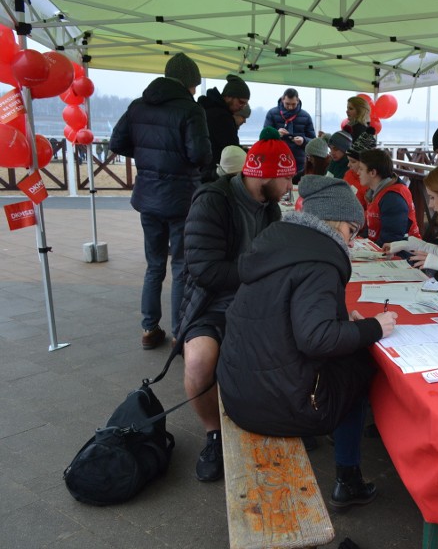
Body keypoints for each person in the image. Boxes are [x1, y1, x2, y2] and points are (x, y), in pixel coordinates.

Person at [217, 174, 397, 508]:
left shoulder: (282, 244)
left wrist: (345, 324)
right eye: (351, 231)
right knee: (358, 366)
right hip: (272, 404)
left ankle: (339, 453)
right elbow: (316, 339)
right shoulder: (320, 263)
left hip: (237, 388)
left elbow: (291, 319)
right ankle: (349, 479)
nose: (352, 242)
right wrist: (373, 327)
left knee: (346, 352)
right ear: (335, 224)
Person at [179, 126, 296, 482]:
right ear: (268, 177)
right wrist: (260, 269)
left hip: (255, 303)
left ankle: (277, 418)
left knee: (302, 340)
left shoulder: (270, 208)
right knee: (200, 362)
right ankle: (214, 433)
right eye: (288, 178)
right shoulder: (212, 201)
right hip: (210, 303)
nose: (291, 186)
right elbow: (204, 269)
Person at [109, 52, 211, 350]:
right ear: (189, 82)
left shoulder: (138, 106)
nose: (195, 90)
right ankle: (180, 332)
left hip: (148, 198)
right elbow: (200, 155)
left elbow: (117, 143)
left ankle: (149, 329)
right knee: (181, 266)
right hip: (181, 199)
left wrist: (147, 156)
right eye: (195, 85)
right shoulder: (190, 110)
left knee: (154, 266)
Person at [355, 148, 420, 245]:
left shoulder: (392, 198)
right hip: (381, 248)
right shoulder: (375, 192)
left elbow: (391, 240)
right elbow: (371, 229)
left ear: (373, 172)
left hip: (404, 254)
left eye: (361, 169)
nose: (357, 173)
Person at [198, 74, 251, 183]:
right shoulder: (222, 117)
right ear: (228, 96)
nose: (242, 106)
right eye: (241, 102)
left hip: (203, 172)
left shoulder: (206, 110)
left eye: (245, 104)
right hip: (215, 173)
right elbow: (232, 150)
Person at [264, 87, 316, 177]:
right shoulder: (272, 113)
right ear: (282, 99)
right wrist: (276, 133)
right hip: (276, 160)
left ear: (298, 100)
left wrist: (303, 141)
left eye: (293, 104)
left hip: (299, 162)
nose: (290, 107)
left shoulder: (306, 116)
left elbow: (313, 141)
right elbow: (264, 137)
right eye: (287, 104)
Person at [344, 128, 377, 210]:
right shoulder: (348, 174)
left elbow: (370, 212)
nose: (348, 165)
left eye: (353, 162)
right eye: (349, 161)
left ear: (365, 163)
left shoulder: (370, 184)